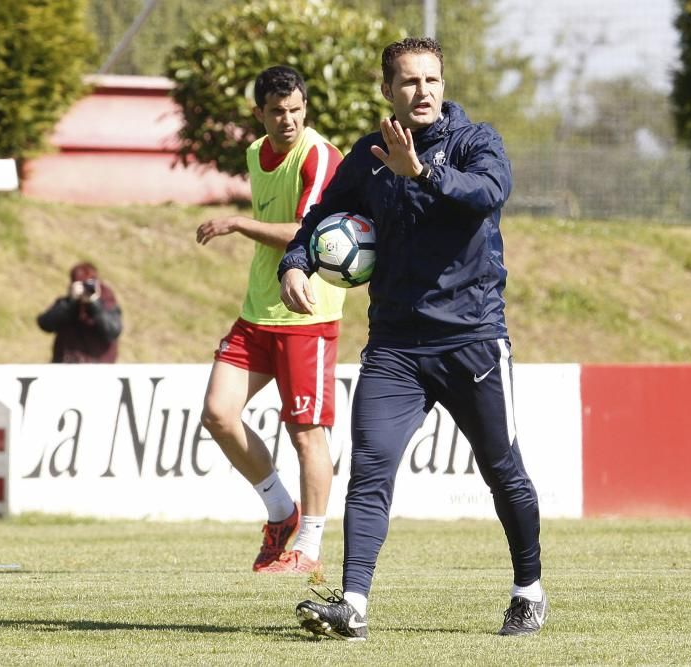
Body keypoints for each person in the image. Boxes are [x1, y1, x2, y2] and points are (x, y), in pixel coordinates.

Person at [279, 37, 546, 639]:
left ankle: (528, 589)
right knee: (370, 469)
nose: (421, 91)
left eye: (431, 80)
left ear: (443, 87)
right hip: (396, 347)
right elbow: (322, 215)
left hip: (472, 340)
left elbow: (487, 194)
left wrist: (423, 172)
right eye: (408, 81)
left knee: (502, 469)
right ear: (387, 91)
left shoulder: (478, 142)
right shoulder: (370, 155)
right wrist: (295, 261)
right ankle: (353, 603)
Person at [195, 65, 345, 575]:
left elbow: (309, 231)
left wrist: (239, 222)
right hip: (258, 311)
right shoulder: (256, 154)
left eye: (297, 109)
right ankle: (281, 513)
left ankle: (309, 548)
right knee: (218, 412)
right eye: (278, 111)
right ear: (259, 113)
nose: (289, 120)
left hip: (307, 316)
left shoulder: (319, 156)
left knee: (307, 434)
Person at [37, 261, 123, 363]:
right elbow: (45, 323)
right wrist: (71, 303)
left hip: (97, 368)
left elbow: (113, 330)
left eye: (88, 284)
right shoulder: (67, 304)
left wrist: (94, 304)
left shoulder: (106, 301)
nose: (85, 289)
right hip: (66, 365)